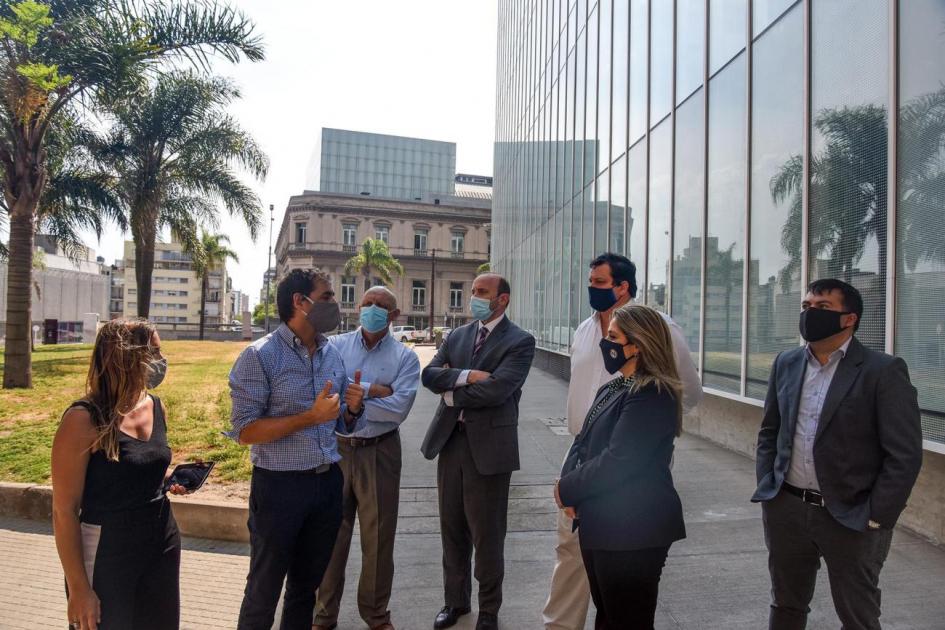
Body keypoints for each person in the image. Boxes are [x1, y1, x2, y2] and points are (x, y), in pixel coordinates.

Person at [751, 279, 923, 630]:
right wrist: (770, 485)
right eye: (806, 306)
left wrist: (876, 517)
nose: (810, 313)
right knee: (786, 604)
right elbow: (771, 431)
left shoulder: (883, 371)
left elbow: (903, 455)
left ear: (849, 319)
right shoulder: (786, 363)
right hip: (787, 508)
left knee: (857, 614)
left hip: (851, 517)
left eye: (822, 307)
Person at [543, 252, 702, 630]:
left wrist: (569, 487)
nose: (591, 289)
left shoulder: (656, 351)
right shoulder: (586, 335)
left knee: (623, 605)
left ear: (622, 286)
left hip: (626, 482)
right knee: (574, 559)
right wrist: (574, 482)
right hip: (587, 462)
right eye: (590, 281)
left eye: (599, 282)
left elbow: (686, 393)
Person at [227, 269, 365, 630]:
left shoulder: (331, 353)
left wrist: (351, 410)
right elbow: (245, 431)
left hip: (326, 484)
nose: (335, 304)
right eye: (327, 296)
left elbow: (336, 423)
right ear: (299, 302)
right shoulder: (259, 356)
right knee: (264, 590)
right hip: (279, 489)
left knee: (306, 590)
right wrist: (309, 417)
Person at [51, 319, 187, 630]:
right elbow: (64, 511)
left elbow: (139, 469)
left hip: (161, 542)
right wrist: (79, 589)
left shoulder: (155, 406)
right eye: (154, 351)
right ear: (126, 357)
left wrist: (171, 479)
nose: (161, 361)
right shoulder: (83, 420)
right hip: (108, 552)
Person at [420, 273, 536, 630]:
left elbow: (499, 391)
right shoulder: (458, 335)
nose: (474, 297)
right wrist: (469, 376)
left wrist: (452, 389)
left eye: (482, 293)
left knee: (487, 535)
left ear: (503, 299)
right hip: (450, 443)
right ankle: (455, 603)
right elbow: (429, 375)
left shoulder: (520, 341)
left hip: (489, 450)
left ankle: (488, 611)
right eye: (473, 291)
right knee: (451, 529)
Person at [314, 287, 421, 630]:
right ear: (358, 308)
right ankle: (323, 615)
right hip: (337, 449)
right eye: (368, 304)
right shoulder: (336, 346)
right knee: (330, 536)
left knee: (378, 539)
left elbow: (399, 409)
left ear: (394, 315)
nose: (373, 310)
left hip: (380, 452)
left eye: (382, 306)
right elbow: (327, 396)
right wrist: (379, 391)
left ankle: (376, 615)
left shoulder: (405, 358)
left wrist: (362, 396)